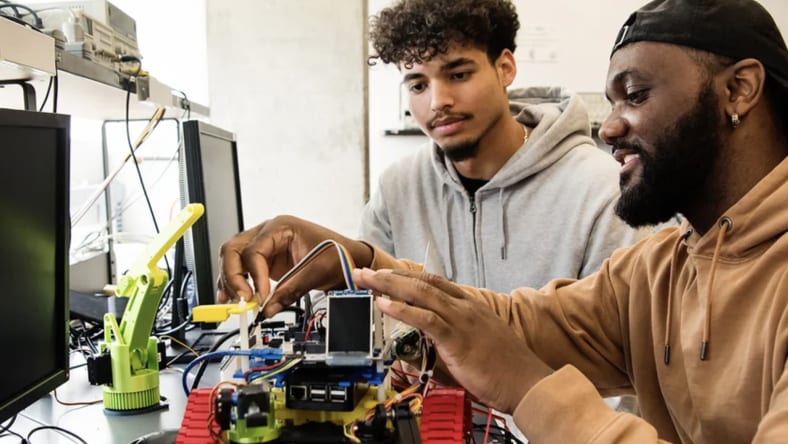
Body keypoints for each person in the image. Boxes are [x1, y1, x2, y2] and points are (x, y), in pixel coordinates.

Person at [217, 0, 788, 442]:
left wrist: (527, 388)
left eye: (634, 95)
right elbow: (518, 325)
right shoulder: (661, 267)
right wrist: (358, 264)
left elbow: (517, 360)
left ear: (739, 88)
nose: (610, 128)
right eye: (417, 83)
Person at [362, 0, 645, 293]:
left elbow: (621, 329)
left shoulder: (602, 190)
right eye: (418, 86)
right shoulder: (396, 189)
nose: (438, 101)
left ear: (505, 68)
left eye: (458, 75)